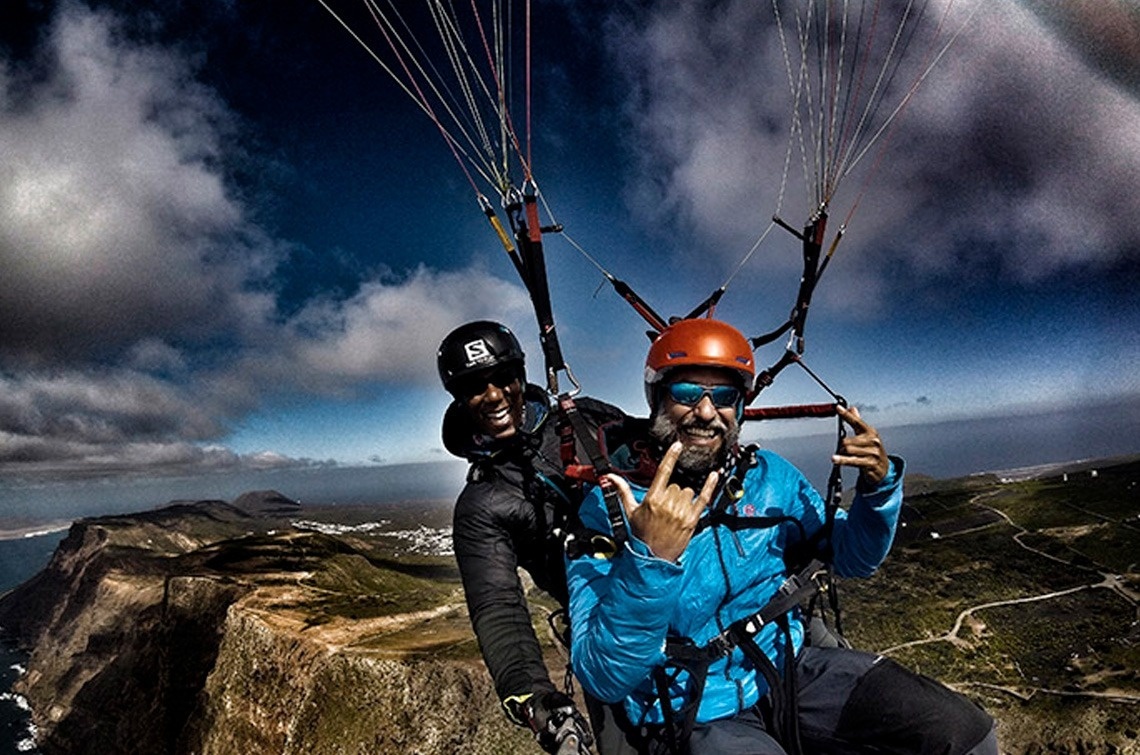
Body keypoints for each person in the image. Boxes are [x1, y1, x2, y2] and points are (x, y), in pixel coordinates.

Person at [566, 318, 999, 755]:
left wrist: (877, 490)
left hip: (787, 668)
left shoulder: (770, 478)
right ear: (658, 398)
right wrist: (650, 560)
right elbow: (603, 676)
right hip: (689, 707)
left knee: (964, 734)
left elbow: (853, 558)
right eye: (686, 393)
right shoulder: (609, 508)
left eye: (724, 396)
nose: (706, 411)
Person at [437, 320, 630, 754]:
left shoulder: (587, 420)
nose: (493, 395)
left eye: (503, 377)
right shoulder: (481, 505)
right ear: (459, 398)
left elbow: (660, 456)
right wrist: (539, 702)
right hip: (603, 635)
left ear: (521, 376)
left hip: (687, 588)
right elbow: (498, 608)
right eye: (473, 386)